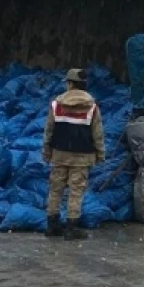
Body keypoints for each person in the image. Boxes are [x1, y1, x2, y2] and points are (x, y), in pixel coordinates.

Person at [43, 68, 106, 240]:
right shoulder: (92, 107)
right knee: (76, 191)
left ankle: (52, 225)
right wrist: (100, 154)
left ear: (70, 84)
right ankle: (71, 228)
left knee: (55, 190)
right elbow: (97, 134)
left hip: (59, 154)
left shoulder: (56, 105)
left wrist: (46, 151)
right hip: (82, 157)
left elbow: (49, 131)